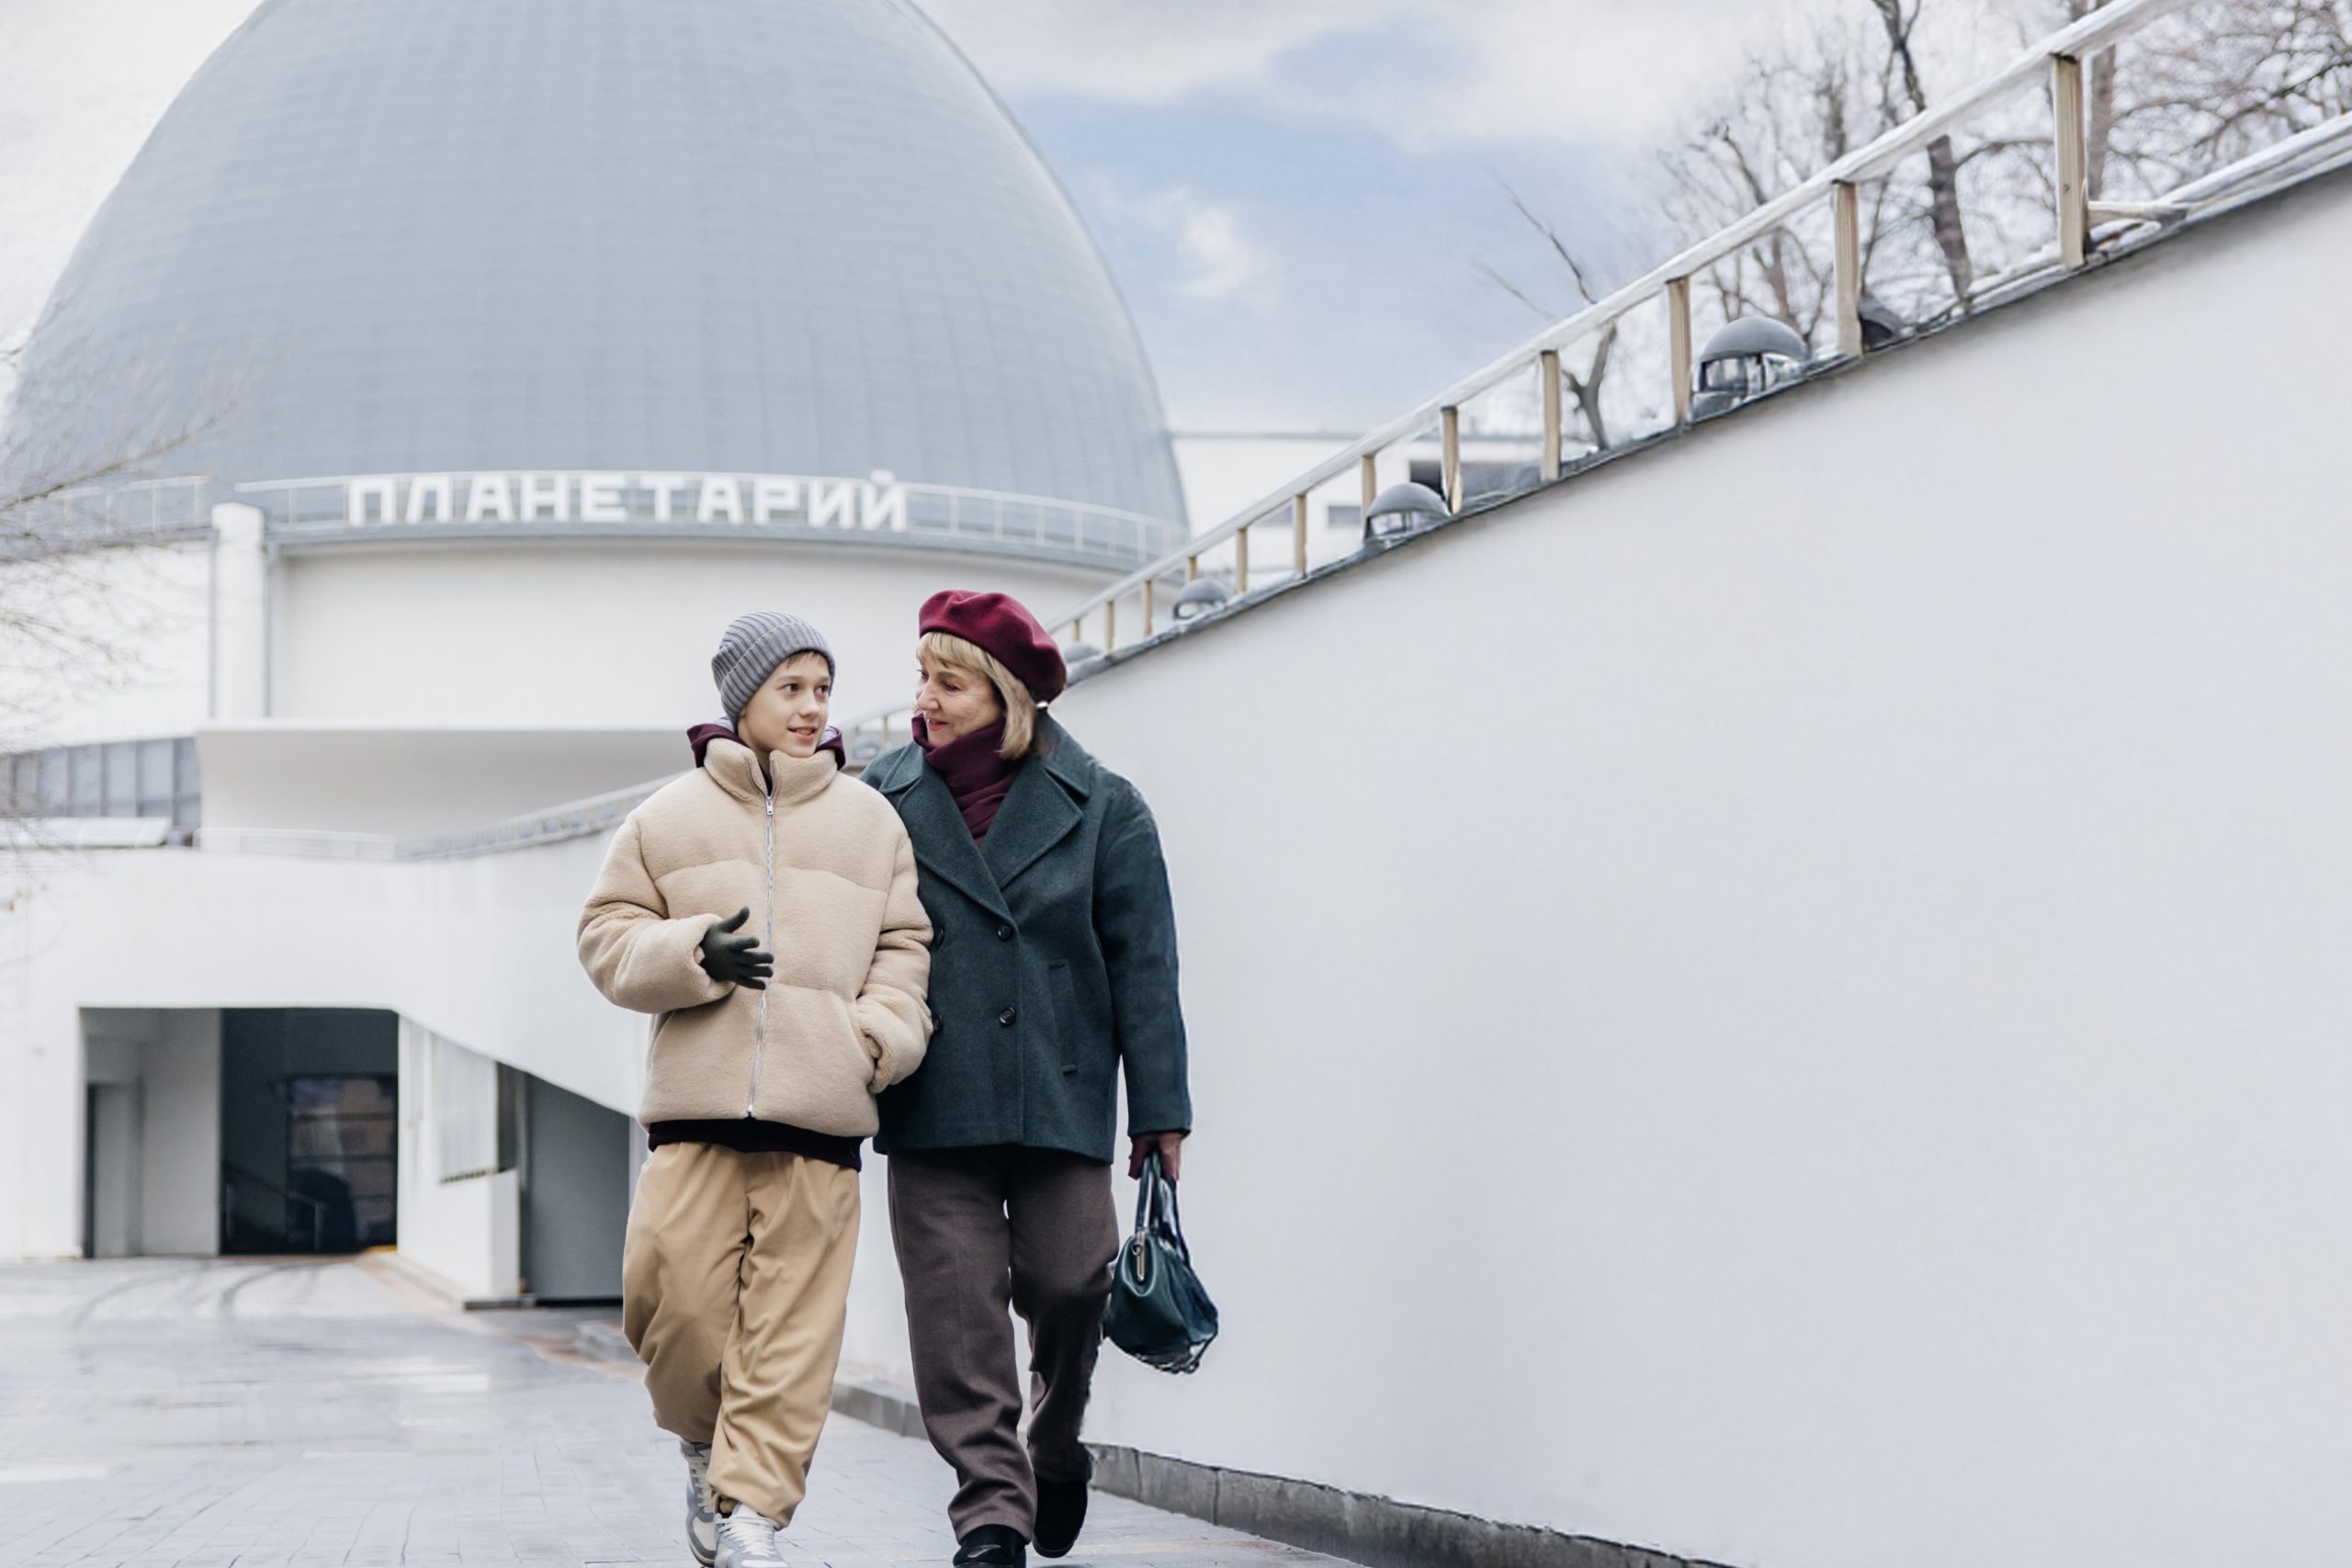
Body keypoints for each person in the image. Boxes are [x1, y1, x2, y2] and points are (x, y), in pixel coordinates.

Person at [578, 611, 933, 1568]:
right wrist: (693, 951)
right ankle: (705, 1451)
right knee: (673, 1309)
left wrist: (878, 1036)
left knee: (792, 1335)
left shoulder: (871, 821)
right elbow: (605, 936)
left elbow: (905, 946)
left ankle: (753, 1514)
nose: (813, 707)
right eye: (792, 688)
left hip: (821, 1116)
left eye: (823, 689)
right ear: (743, 698)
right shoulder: (666, 816)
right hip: (693, 1115)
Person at [861, 590, 1192, 1568]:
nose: (925, 699)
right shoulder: (879, 800)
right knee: (957, 1315)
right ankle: (992, 1513)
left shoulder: (1105, 805)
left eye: (949, 683)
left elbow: (1145, 968)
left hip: (1061, 1090)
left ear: (1007, 695)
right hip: (932, 1093)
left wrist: (1160, 1113)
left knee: (1072, 1282)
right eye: (922, 677)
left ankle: (1053, 1444)